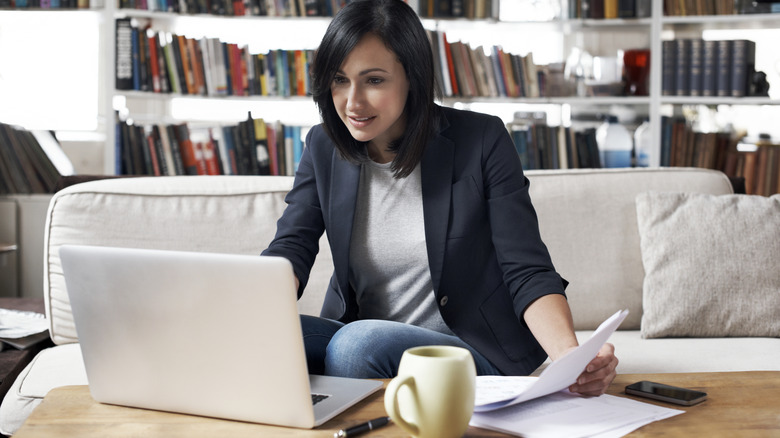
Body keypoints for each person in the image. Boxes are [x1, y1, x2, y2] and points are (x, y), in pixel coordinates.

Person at [262, 0, 618, 396]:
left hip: (467, 347)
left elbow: (526, 269)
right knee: (261, 337)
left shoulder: (481, 140)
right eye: (340, 80)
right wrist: (245, 306)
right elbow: (292, 245)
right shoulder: (322, 145)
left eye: (374, 80)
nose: (352, 102)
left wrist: (569, 358)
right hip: (361, 334)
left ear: (411, 77)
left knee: (354, 346)